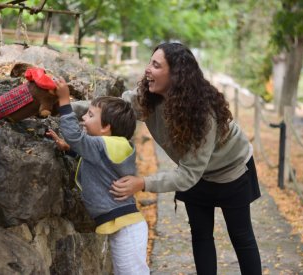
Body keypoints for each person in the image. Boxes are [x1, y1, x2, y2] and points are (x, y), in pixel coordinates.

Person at [110, 42, 262, 275]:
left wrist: (142, 183)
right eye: (150, 62)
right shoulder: (150, 99)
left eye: (156, 65)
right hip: (193, 171)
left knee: (241, 236)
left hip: (232, 171)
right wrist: (67, 107)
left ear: (176, 75)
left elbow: (188, 174)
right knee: (200, 235)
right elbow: (111, 110)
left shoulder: (203, 114)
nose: (147, 69)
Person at [47, 80, 150, 275]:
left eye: (90, 115)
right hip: (124, 225)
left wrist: (64, 102)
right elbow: (97, 163)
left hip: (126, 227)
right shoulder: (111, 146)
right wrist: (70, 150)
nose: (83, 118)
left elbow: (76, 137)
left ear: (106, 128)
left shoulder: (107, 145)